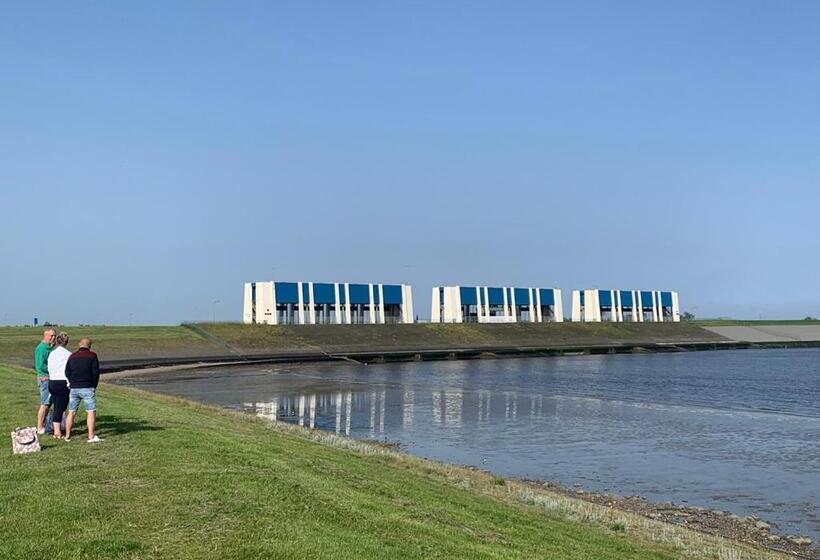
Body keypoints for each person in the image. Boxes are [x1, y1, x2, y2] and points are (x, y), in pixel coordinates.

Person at [64, 338, 102, 443]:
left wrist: (72, 381)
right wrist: (94, 385)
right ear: (89, 346)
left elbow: (67, 372)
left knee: (71, 411)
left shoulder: (72, 356)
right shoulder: (92, 356)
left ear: (79, 345)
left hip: (74, 387)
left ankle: (67, 435)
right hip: (87, 386)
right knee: (91, 411)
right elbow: (95, 372)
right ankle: (91, 436)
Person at [47, 332, 72, 439]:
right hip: (62, 382)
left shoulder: (52, 353)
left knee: (56, 405)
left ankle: (57, 428)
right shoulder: (68, 354)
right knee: (60, 407)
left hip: (52, 381)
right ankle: (57, 431)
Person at [34, 328, 56, 434]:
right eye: (51, 336)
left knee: (49, 403)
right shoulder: (41, 348)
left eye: (54, 336)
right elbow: (39, 365)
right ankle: (39, 427)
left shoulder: (50, 348)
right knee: (45, 403)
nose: (53, 338)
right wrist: (50, 371)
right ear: (45, 336)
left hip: (51, 378)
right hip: (45, 378)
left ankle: (45, 424)